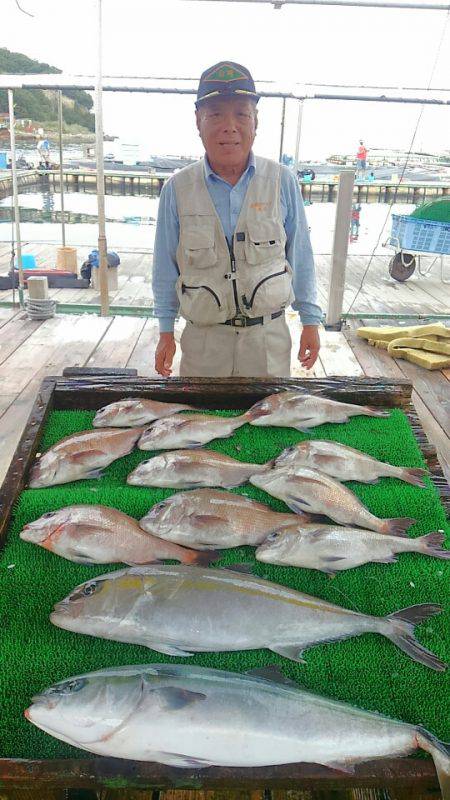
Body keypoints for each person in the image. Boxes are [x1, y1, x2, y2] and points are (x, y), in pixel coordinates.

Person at [152, 61, 322, 378]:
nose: (229, 127)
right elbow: (165, 267)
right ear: (198, 122)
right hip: (203, 343)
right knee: (199, 409)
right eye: (215, 114)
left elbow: (300, 255)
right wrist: (165, 330)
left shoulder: (282, 181)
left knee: (270, 411)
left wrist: (310, 321)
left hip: (268, 341)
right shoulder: (176, 190)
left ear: (256, 122)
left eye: (242, 114)